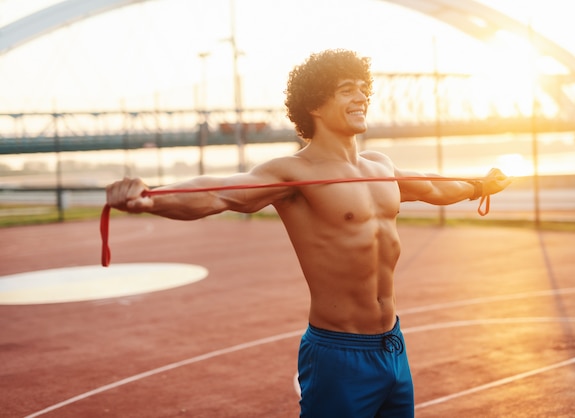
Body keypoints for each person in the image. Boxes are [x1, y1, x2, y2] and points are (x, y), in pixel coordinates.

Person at [106, 49, 511, 417]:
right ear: (316, 104)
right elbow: (220, 194)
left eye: (362, 89)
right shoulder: (295, 173)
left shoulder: (379, 166)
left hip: (392, 346)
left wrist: (479, 186)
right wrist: (150, 199)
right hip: (339, 354)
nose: (361, 97)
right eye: (346, 90)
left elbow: (432, 185)